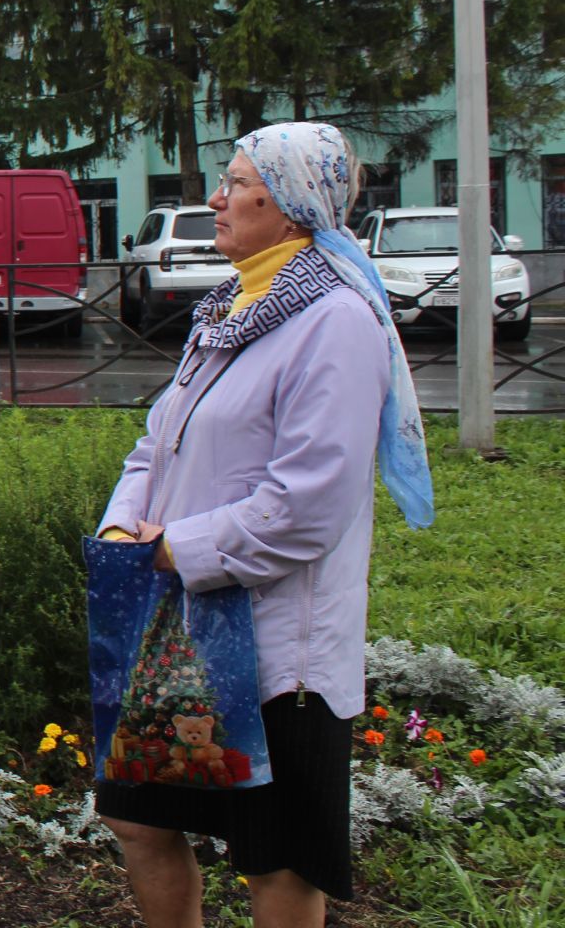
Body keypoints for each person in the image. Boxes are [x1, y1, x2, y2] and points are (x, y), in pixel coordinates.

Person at [93, 123, 434, 927]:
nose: (214, 197)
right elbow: (158, 441)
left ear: (286, 203)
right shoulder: (235, 303)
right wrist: (122, 530)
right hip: (183, 625)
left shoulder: (334, 321)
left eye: (235, 181)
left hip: (281, 648)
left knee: (275, 855)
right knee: (138, 817)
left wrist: (175, 549)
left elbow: (307, 504)